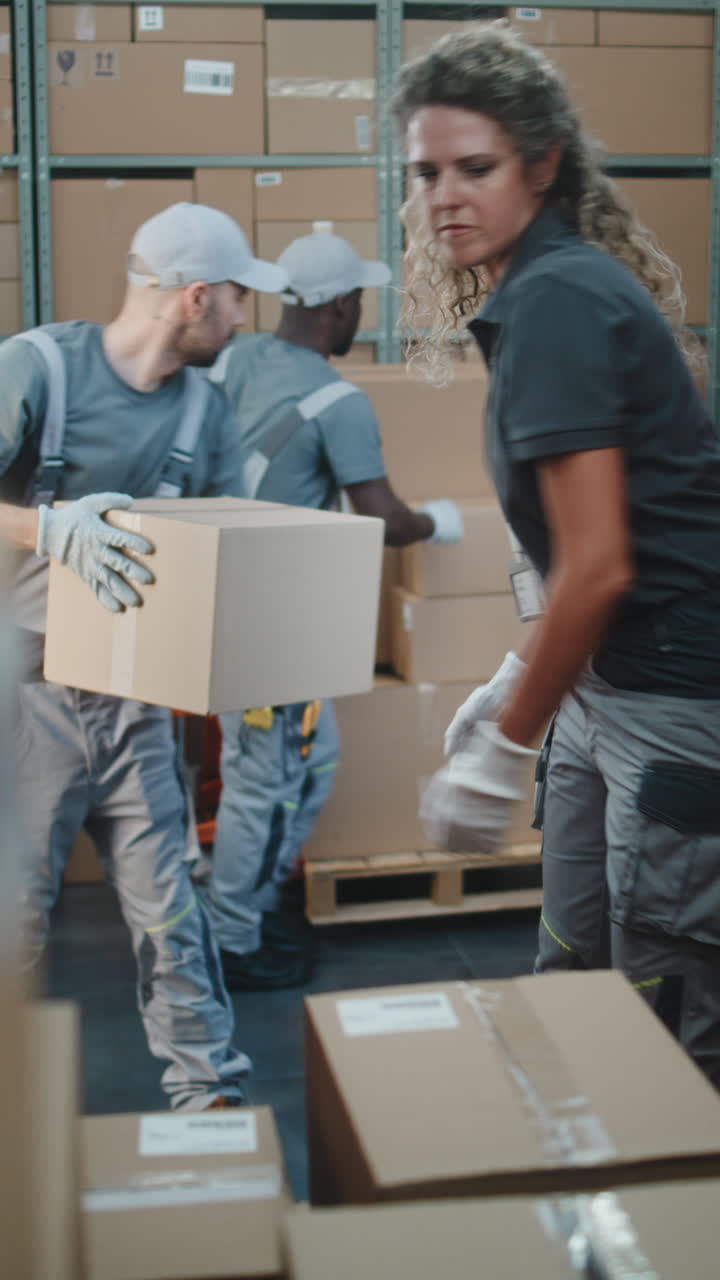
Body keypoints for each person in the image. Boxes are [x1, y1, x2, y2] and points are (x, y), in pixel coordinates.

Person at [393, 22, 720, 1087]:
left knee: (657, 1030)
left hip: (673, 696)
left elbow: (604, 562)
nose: (445, 194)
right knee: (572, 964)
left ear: (541, 165)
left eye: (474, 168)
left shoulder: (563, 302)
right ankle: (566, 1189)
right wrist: (524, 677)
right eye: (426, 171)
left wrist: (503, 743)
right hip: (601, 685)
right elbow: (585, 539)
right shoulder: (538, 291)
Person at [0, 201, 288, 1109]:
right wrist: (48, 527)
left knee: (172, 917)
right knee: (15, 928)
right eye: (239, 298)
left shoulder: (204, 413)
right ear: (195, 298)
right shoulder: (37, 366)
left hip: (133, 703)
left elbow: (222, 557)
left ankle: (214, 1110)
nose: (246, 318)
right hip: (25, 696)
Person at [204, 227, 464, 989]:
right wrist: (438, 523)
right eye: (360, 302)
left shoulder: (233, 357)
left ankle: (247, 903)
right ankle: (233, 943)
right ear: (342, 305)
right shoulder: (338, 401)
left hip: (225, 605)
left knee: (309, 761)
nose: (362, 317)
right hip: (269, 626)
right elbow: (381, 516)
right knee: (267, 778)